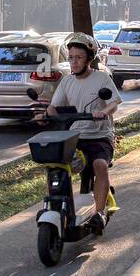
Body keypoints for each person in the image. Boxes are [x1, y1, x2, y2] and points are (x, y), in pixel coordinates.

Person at [36, 32, 121, 218]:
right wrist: (46, 116)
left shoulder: (102, 78)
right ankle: (57, 208)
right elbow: (53, 107)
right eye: (71, 58)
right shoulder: (67, 81)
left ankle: (99, 212)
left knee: (100, 165)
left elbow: (114, 102)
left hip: (100, 136)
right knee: (56, 167)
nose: (74, 62)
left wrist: (103, 112)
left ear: (89, 59)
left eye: (79, 58)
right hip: (74, 138)